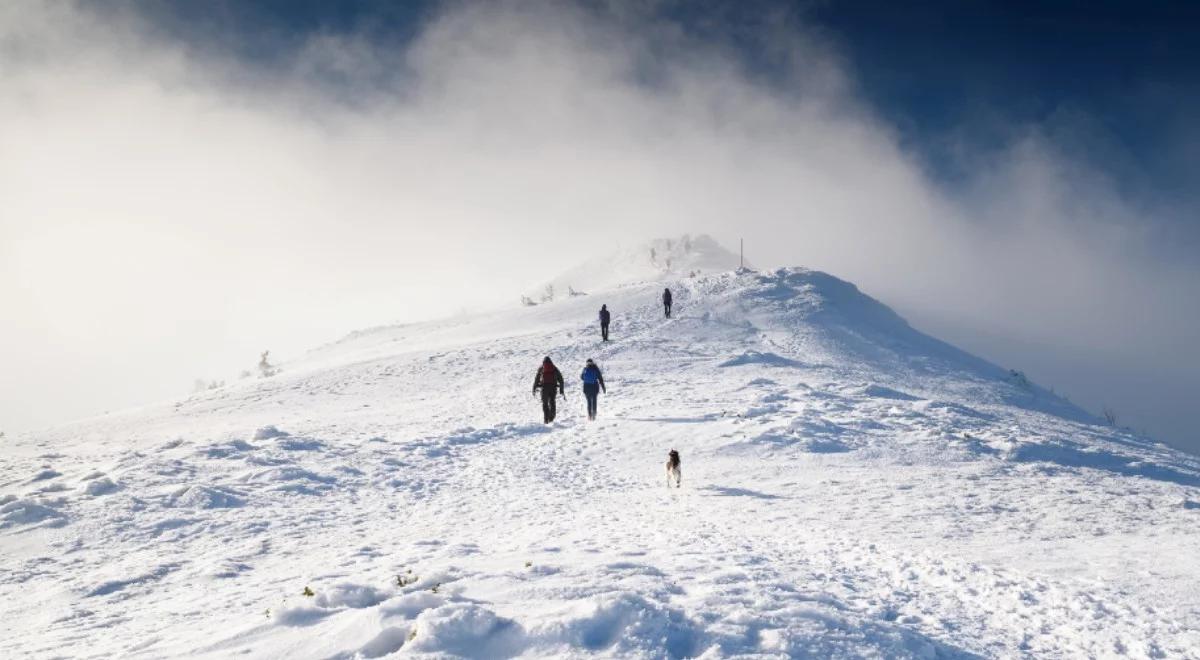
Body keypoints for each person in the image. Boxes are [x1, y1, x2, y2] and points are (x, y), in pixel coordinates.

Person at [532, 356, 565, 423]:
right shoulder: (554, 368)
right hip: (553, 388)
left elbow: (537, 379)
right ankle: (552, 417)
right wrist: (561, 390)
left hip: (544, 388)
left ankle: (546, 419)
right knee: (552, 401)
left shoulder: (541, 368)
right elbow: (561, 379)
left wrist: (534, 388)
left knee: (545, 403)